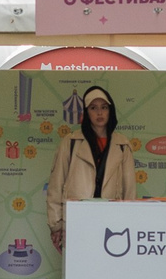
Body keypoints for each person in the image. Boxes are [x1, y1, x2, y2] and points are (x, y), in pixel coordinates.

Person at [48, 85, 136, 254]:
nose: (100, 113)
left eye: (104, 108)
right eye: (93, 108)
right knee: (77, 273)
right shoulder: (70, 142)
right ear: (86, 112)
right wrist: (56, 225)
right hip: (77, 220)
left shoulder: (122, 144)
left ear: (110, 111)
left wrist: (128, 222)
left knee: (107, 273)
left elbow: (129, 189)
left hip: (112, 222)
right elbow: (56, 185)